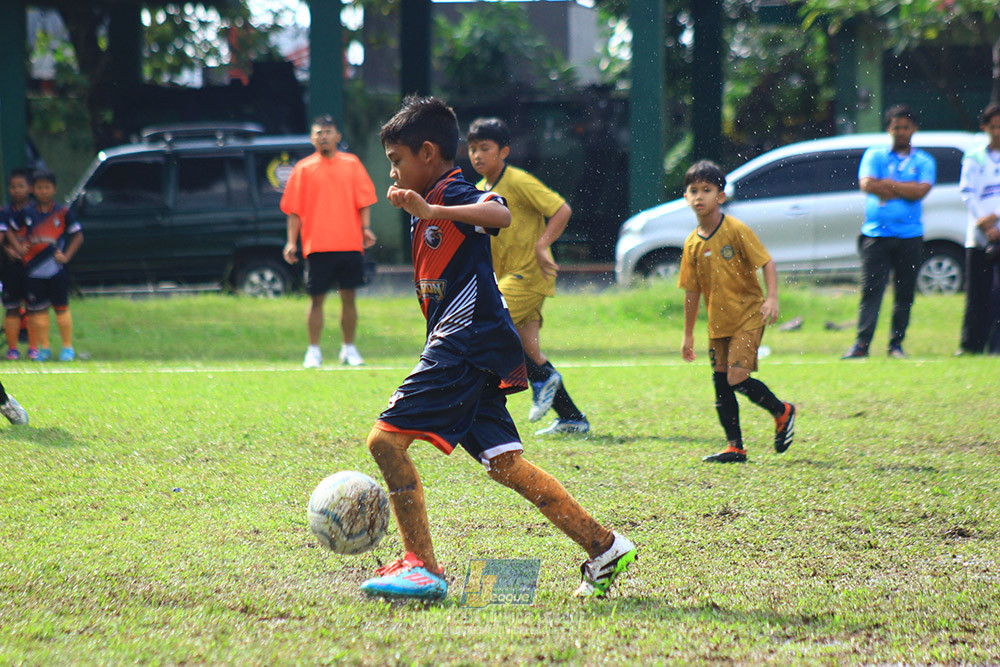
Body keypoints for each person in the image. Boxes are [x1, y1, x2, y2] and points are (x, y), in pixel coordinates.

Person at [360, 96, 636, 601]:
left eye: (397, 160)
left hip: (464, 344)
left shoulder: (452, 191)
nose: (393, 172)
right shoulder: (426, 200)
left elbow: (499, 212)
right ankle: (604, 546)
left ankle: (422, 567)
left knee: (384, 441)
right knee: (505, 465)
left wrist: (433, 207)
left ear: (427, 153)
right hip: (476, 345)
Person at [466, 117, 589, 436]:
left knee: (490, 325)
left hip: (528, 276)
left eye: (485, 148)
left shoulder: (517, 181)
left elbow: (561, 209)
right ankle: (573, 418)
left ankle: (541, 380)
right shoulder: (479, 191)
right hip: (506, 280)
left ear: (503, 151)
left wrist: (542, 244)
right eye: (472, 149)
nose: (477, 155)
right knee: (530, 351)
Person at [677, 160, 796, 464]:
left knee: (737, 377)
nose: (700, 196)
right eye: (694, 190)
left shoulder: (735, 229)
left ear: (721, 196)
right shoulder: (691, 244)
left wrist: (771, 298)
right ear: (686, 197)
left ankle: (782, 411)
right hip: (718, 323)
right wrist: (688, 333)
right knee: (721, 385)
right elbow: (692, 291)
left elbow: (766, 262)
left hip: (748, 315)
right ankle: (735, 447)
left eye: (707, 189)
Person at [280, 115, 378, 368]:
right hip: (317, 246)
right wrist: (291, 242)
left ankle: (349, 348)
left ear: (338, 136)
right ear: (312, 138)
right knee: (316, 300)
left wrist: (365, 229)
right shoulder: (303, 168)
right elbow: (294, 210)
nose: (323, 136)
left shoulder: (352, 164)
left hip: (349, 243)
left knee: (349, 297)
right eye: (318, 132)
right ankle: (313, 351)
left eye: (327, 131)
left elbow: (363, 201)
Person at [842, 105, 936, 359]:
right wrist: (904, 188)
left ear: (914, 129)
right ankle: (862, 344)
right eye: (896, 127)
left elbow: (921, 191)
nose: (901, 132)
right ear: (888, 129)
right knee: (871, 291)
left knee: (904, 292)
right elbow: (866, 184)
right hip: (876, 235)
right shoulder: (875, 155)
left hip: (910, 236)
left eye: (906, 127)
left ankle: (896, 344)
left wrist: (886, 186)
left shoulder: (924, 160)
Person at [22, 170, 83, 362]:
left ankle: (67, 348)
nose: (44, 191)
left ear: (54, 189)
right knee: (38, 310)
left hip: (56, 270)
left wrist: (66, 256)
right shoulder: (27, 213)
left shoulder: (63, 212)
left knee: (61, 308)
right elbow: (14, 234)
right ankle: (44, 348)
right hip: (33, 270)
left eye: (47, 187)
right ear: (33, 190)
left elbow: (78, 235)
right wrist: (20, 248)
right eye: (39, 187)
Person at [957, 103, 1000, 355]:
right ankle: (971, 345)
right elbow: (967, 192)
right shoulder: (975, 157)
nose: (997, 131)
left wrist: (996, 216)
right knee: (977, 294)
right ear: (984, 127)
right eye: (992, 126)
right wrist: (984, 221)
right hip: (980, 235)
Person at [1, 169, 33, 359]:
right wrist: (9, 250)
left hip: (32, 265)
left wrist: (29, 249)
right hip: (10, 265)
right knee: (11, 306)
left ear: (29, 188)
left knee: (34, 307)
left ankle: (34, 347)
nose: (17, 190)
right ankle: (12, 348)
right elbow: (4, 236)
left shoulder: (36, 211)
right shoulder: (5, 212)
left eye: (21, 186)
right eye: (12, 186)